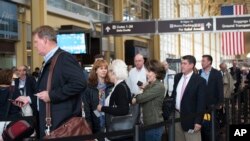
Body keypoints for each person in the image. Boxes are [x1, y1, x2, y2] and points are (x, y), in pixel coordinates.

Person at [15, 25, 87, 139]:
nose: (34, 46)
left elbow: (80, 83)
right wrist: (29, 99)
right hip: (53, 125)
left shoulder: (64, 58)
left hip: (62, 126)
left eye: (36, 42)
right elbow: (46, 92)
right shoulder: (50, 61)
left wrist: (52, 96)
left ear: (45, 40)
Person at [172, 55, 206, 141]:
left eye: (184, 63)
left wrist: (198, 121)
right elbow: (174, 95)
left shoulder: (200, 81)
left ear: (191, 65)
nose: (182, 65)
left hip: (191, 118)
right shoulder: (177, 77)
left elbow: (201, 103)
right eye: (181, 63)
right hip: (177, 116)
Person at [97, 59, 131, 141]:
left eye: (109, 71)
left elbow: (123, 110)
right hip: (120, 129)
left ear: (114, 73)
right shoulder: (121, 85)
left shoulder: (120, 87)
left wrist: (102, 108)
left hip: (118, 130)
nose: (107, 74)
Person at [132, 59, 166, 141]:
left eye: (149, 71)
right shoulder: (150, 85)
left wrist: (136, 97)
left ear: (156, 73)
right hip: (146, 124)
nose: (146, 73)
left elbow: (140, 98)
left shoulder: (159, 86)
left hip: (154, 125)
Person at [82, 60, 113, 139]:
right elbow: (87, 108)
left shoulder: (111, 85)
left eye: (105, 68)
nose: (103, 70)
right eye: (101, 68)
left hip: (110, 122)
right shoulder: (89, 87)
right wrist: (89, 126)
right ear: (96, 70)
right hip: (96, 123)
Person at [199, 55, 223, 141]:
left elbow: (220, 88)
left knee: (212, 125)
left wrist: (220, 103)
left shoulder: (216, 73)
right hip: (200, 105)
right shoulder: (199, 73)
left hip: (212, 104)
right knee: (201, 124)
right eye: (202, 61)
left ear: (209, 62)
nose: (202, 62)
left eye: (203, 61)